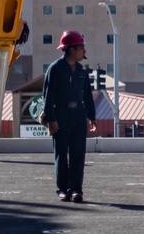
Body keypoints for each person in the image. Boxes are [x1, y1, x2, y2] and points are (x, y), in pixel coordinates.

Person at [42, 30, 98, 202]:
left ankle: (76, 189)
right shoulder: (55, 69)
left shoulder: (82, 70)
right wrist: (51, 119)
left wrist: (91, 116)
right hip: (61, 115)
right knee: (61, 153)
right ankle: (62, 189)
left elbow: (88, 95)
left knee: (78, 153)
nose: (84, 51)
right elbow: (48, 95)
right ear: (71, 49)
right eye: (81, 48)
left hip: (78, 116)